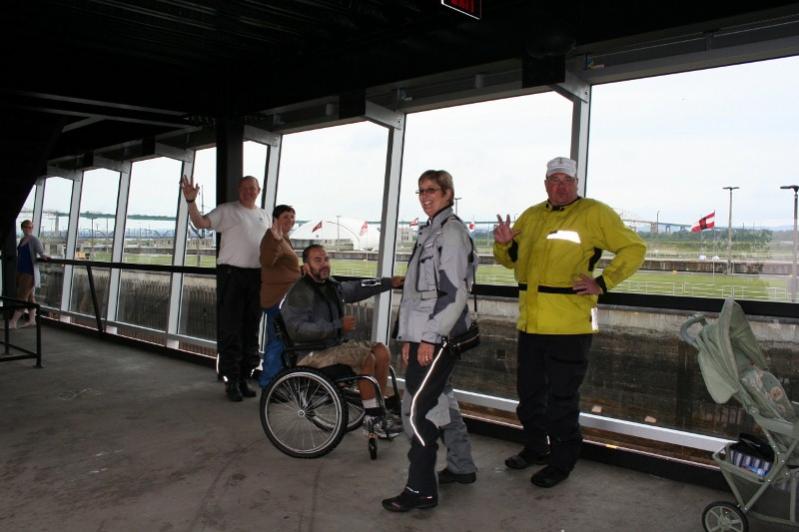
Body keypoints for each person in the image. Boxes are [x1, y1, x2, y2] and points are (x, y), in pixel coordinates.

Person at [493, 156, 646, 488]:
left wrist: (603, 283)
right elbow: (509, 261)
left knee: (562, 400)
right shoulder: (531, 216)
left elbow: (634, 248)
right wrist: (503, 245)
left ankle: (562, 461)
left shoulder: (594, 213)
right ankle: (536, 448)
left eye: (567, 180)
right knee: (529, 396)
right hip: (531, 326)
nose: (560, 187)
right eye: (554, 180)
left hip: (570, 327)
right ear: (545, 183)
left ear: (577, 184)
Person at [383, 169, 477, 512]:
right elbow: (416, 295)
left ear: (448, 193)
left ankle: (420, 489)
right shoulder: (430, 231)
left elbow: (454, 294)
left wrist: (430, 338)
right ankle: (462, 467)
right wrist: (408, 338)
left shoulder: (449, 234)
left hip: (438, 338)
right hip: (425, 336)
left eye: (432, 190)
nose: (425, 196)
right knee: (441, 401)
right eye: (420, 191)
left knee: (416, 412)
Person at [280, 244, 403, 435]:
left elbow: (355, 288)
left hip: (332, 347)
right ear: (305, 266)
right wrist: (337, 325)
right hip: (311, 354)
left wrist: (388, 283)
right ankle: (372, 418)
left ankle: (378, 407)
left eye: (326, 259)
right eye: (317, 260)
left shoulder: (329, 285)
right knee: (367, 359)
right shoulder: (300, 292)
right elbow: (297, 330)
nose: (324, 264)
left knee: (382, 351)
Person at [181, 174, 269, 402]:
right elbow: (200, 223)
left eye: (253, 188)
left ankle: (243, 378)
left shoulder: (264, 215)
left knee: (251, 330)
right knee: (232, 329)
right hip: (232, 276)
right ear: (239, 189)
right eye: (245, 187)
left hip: (256, 277)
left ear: (258, 191)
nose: (249, 191)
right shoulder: (227, 210)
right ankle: (231, 381)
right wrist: (191, 202)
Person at [258, 204, 301, 389]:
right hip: (277, 300)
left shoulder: (284, 238)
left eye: (292, 217)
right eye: (285, 217)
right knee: (278, 342)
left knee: (279, 341)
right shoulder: (272, 237)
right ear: (275, 219)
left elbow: (284, 266)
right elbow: (266, 261)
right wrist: (275, 240)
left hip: (284, 300)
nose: (290, 220)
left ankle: (276, 382)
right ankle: (269, 384)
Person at [9, 219, 50, 328]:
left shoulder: (34, 239)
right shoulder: (23, 240)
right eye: (26, 227)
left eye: (30, 227)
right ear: (22, 228)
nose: (28, 229)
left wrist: (44, 256)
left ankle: (13, 322)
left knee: (21, 297)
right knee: (30, 297)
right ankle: (32, 320)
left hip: (29, 273)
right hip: (21, 271)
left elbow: (40, 252)